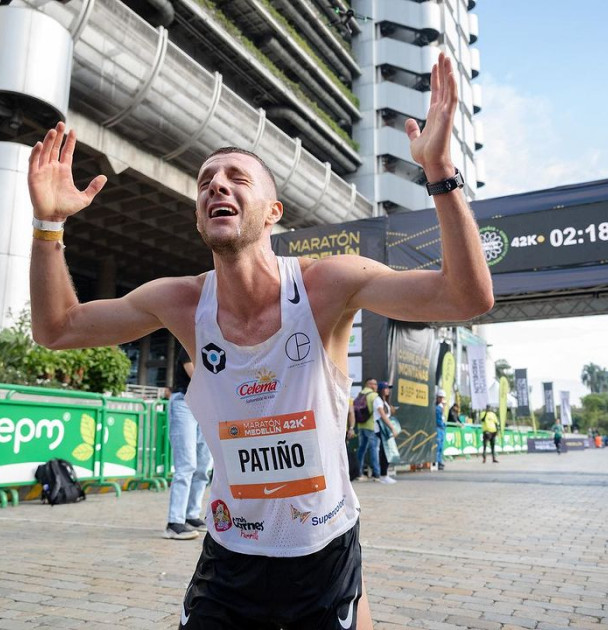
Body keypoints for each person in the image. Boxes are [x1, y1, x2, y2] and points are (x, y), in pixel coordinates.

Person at [27, 53, 493, 629]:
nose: (216, 185)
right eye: (205, 183)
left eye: (236, 178)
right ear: (200, 218)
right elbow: (57, 329)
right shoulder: (180, 302)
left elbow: (465, 298)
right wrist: (48, 227)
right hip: (230, 559)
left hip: (324, 554)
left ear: (273, 212)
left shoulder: (327, 285)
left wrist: (440, 171)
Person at [164, 347, 213, 540]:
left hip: (206, 406)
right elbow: (195, 374)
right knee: (186, 465)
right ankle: (174, 522)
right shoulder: (189, 345)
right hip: (184, 403)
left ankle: (191, 515)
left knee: (203, 466)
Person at [374, 382, 398, 485]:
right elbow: (382, 415)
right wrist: (392, 428)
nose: (388, 390)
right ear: (381, 389)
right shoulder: (377, 400)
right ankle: (383, 475)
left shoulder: (385, 401)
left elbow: (387, 414)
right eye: (386, 388)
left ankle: (385, 474)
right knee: (384, 452)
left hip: (386, 429)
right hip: (381, 429)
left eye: (389, 388)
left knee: (388, 452)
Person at [434, 389, 446, 471]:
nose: (441, 399)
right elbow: (438, 419)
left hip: (442, 428)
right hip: (438, 427)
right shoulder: (437, 408)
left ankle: (440, 461)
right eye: (440, 397)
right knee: (438, 446)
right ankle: (437, 462)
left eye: (442, 398)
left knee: (441, 446)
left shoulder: (440, 407)